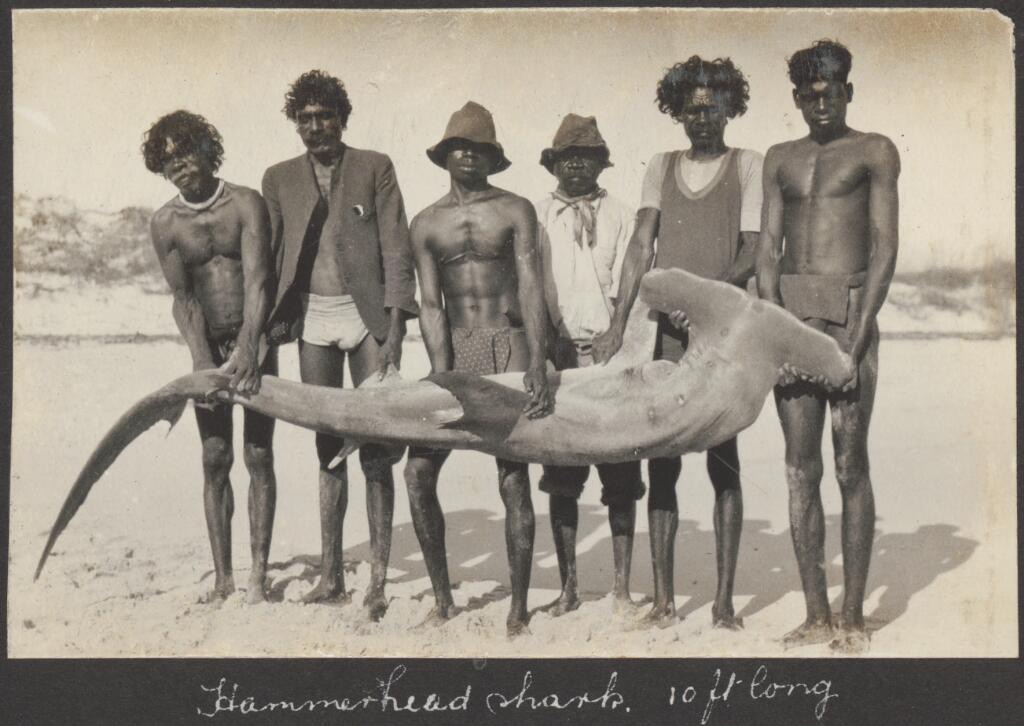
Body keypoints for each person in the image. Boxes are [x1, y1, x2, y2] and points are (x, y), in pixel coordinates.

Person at [593, 56, 764, 630]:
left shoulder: (748, 165)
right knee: (662, 460)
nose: (703, 118)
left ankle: (722, 603)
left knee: (724, 462)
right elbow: (641, 246)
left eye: (713, 107)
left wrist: (709, 298)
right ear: (677, 111)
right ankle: (665, 601)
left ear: (730, 107)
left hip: (722, 333)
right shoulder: (661, 166)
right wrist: (619, 323)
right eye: (692, 109)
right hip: (668, 332)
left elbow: (753, 249)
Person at [756, 40, 899, 653]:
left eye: (831, 91)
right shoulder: (780, 158)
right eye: (809, 94)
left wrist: (862, 326)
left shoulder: (873, 150)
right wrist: (772, 321)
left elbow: (884, 244)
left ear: (848, 90)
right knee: (798, 468)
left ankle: (855, 616)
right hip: (792, 312)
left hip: (848, 313)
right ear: (796, 98)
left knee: (849, 464)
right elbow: (766, 247)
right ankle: (816, 614)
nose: (821, 102)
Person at [262, 70, 418, 620]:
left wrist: (396, 327)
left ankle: (377, 579)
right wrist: (265, 325)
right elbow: (271, 256)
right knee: (327, 449)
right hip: (312, 318)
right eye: (304, 118)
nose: (314, 127)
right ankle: (331, 573)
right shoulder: (278, 177)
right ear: (295, 123)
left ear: (342, 118)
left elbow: (397, 247)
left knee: (376, 447)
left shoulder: (375, 166)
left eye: (324, 116)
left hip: (367, 316)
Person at [405, 101, 551, 637]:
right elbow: (430, 305)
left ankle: (517, 607)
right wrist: (440, 371)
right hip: (456, 349)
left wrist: (537, 359)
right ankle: (443, 600)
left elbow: (531, 285)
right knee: (417, 472)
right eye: (459, 147)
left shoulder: (516, 209)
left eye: (479, 148)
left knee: (512, 478)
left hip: (508, 345)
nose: (468, 154)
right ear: (445, 155)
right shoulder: (425, 222)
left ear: (493, 156)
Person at [144, 110, 276, 604]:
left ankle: (258, 578)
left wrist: (250, 347)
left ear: (207, 150)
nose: (179, 166)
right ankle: (224, 579)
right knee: (215, 456)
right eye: (168, 160)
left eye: (186, 153)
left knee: (258, 455)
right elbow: (184, 299)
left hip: (257, 340)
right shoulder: (165, 223)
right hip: (208, 347)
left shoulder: (245, 203)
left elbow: (260, 280)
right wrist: (202, 360)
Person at [534, 114, 646, 616]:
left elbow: (633, 285)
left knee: (620, 476)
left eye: (587, 156)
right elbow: (529, 287)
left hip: (613, 358)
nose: (576, 164)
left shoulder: (623, 215)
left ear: (602, 163)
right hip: (557, 356)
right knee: (562, 478)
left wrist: (616, 335)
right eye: (567, 157)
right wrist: (546, 343)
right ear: (553, 163)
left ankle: (621, 589)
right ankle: (569, 588)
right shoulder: (534, 215)